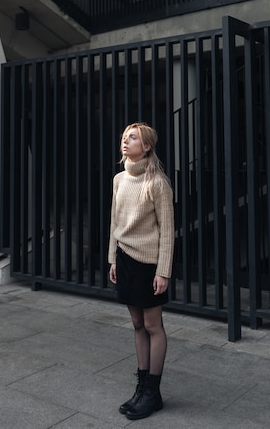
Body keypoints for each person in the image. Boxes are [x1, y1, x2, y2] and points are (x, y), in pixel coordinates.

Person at [108, 122, 175, 421]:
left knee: (152, 325)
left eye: (132, 138)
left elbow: (167, 232)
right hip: (124, 260)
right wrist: (112, 258)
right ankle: (141, 386)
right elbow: (114, 222)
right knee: (136, 324)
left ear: (146, 146)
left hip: (148, 264)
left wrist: (163, 271)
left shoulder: (158, 183)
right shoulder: (119, 180)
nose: (125, 141)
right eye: (124, 137)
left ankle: (153, 391)